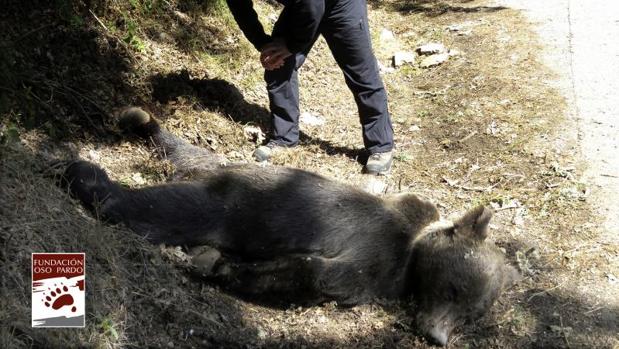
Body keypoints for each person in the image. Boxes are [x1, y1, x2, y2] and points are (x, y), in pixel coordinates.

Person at [226, 0, 394, 174]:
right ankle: (284, 139)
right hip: (302, 6)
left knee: (362, 74)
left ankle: (381, 146)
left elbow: (312, 4)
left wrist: (292, 46)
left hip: (342, 4)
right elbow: (239, 6)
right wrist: (263, 43)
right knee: (279, 64)